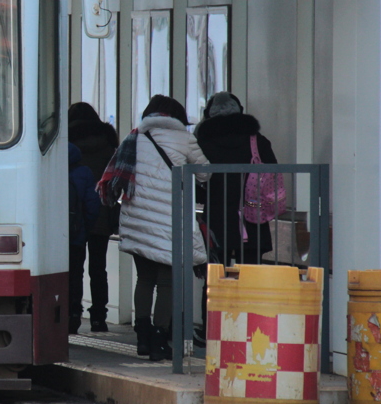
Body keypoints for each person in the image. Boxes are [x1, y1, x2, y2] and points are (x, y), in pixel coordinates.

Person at [98, 95, 209, 361]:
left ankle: (143, 338)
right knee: (166, 282)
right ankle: (160, 340)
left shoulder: (135, 137)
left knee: (144, 279)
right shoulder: (184, 139)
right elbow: (205, 173)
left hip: (138, 219)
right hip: (170, 219)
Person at [194, 91, 280, 265]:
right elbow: (272, 173)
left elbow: (196, 182)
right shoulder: (257, 141)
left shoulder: (203, 144)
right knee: (250, 276)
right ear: (240, 111)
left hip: (217, 218)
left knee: (216, 276)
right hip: (252, 215)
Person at [67, 102, 119, 332]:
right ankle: (99, 316)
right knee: (99, 268)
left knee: (74, 269)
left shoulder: (66, 147)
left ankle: (73, 315)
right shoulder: (108, 142)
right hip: (102, 212)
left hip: (73, 217)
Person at [68, 142, 102, 334]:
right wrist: (83, 230)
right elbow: (92, 206)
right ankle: (73, 314)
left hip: (50, 239)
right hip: (76, 236)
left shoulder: (47, 169)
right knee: (75, 275)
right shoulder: (84, 172)